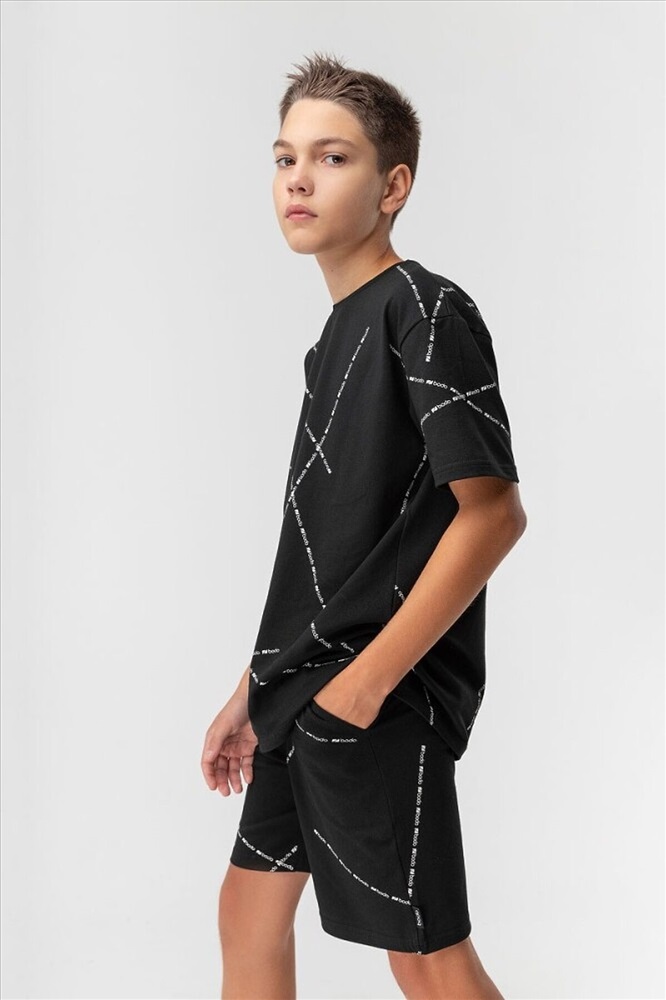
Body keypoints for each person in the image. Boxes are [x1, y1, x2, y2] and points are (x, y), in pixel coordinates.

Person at [201, 50, 527, 1000]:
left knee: (425, 956)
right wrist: (252, 690)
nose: (298, 178)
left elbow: (494, 514)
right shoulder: (335, 338)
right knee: (248, 912)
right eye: (285, 157)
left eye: (332, 157)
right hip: (306, 688)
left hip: (375, 695)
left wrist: (366, 683)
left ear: (394, 187)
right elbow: (335, 546)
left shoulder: (423, 308)